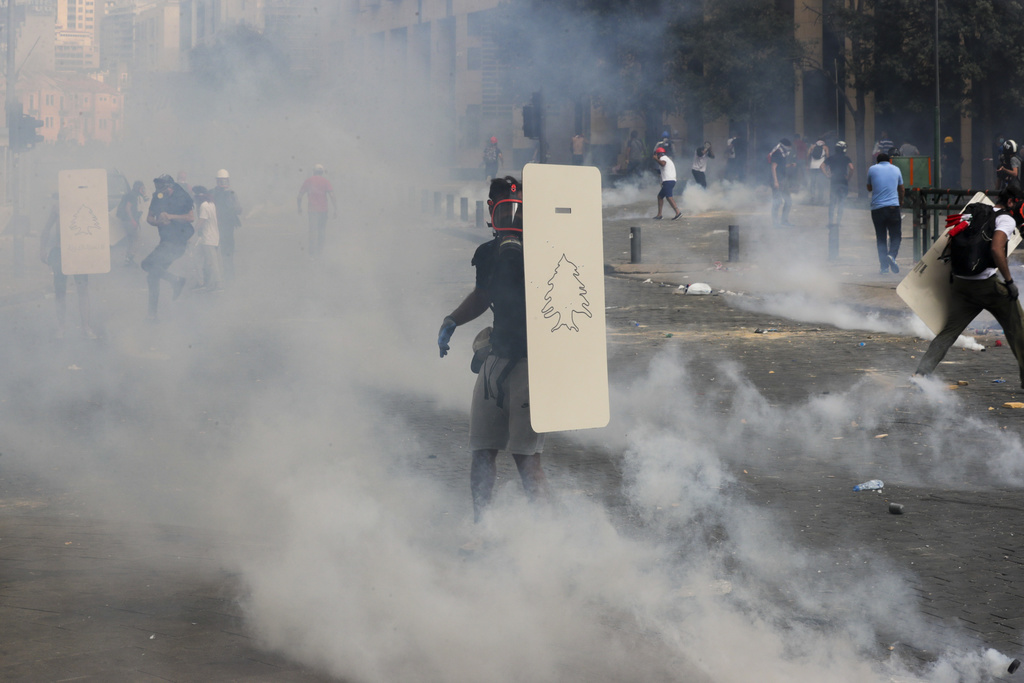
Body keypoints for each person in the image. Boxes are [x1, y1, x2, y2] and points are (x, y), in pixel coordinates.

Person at [436, 175, 551, 523]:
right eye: (504, 212)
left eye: (517, 212)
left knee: (526, 457)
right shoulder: (487, 254)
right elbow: (482, 296)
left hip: (531, 365)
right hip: (494, 361)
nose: (510, 220)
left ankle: (549, 539)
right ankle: (482, 529)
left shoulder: (547, 251)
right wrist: (452, 320)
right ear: (491, 212)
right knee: (481, 451)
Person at [915, 187, 1024, 386]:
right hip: (986, 285)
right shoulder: (1006, 220)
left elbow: (951, 242)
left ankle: (921, 374)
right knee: (1018, 327)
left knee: (949, 332)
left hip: (961, 284)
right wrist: (1009, 282)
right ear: (1011, 202)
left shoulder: (975, 213)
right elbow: (996, 248)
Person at [39, 193, 95, 339]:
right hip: (60, 251)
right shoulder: (57, 207)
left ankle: (86, 326)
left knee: (82, 288)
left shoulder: (86, 204)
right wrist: (42, 249)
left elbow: (97, 229)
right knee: (60, 290)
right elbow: (46, 229)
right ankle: (62, 327)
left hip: (79, 251)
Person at [141, 174, 194, 322]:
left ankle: (176, 280)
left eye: (163, 189)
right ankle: (152, 314)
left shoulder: (182, 196)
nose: (161, 192)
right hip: (165, 241)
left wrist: (171, 216)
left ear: (170, 187)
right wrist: (159, 223)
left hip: (177, 242)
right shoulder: (157, 197)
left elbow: (190, 217)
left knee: (146, 264)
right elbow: (149, 218)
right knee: (152, 276)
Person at [866, 152, 905, 274]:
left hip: (877, 209)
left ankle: (884, 268)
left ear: (877, 161)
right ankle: (892, 255)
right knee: (896, 235)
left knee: (881, 238)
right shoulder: (896, 169)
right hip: (893, 208)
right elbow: (902, 188)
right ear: (890, 161)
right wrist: (901, 201)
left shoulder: (872, 169)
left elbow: (869, 188)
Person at [297, 164, 338, 259]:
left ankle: (311, 253)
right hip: (323, 210)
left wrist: (299, 207)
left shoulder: (308, 181)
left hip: (312, 210)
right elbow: (332, 196)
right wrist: (335, 208)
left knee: (312, 230)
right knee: (322, 231)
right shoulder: (326, 182)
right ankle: (320, 252)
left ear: (313, 171)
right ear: (322, 172)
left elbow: (299, 196)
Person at [211, 169, 242, 280]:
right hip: (214, 228)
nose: (222, 183)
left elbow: (239, 209)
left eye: (224, 181)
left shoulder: (231, 194)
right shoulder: (212, 193)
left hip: (227, 228)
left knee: (227, 252)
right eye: (221, 181)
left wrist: (232, 209)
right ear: (217, 181)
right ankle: (216, 276)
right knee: (213, 253)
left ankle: (229, 275)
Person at [192, 185, 223, 292]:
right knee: (196, 258)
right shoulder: (211, 204)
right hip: (206, 238)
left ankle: (218, 285)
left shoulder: (204, 206)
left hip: (208, 238)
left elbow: (201, 221)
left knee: (213, 262)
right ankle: (201, 283)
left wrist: (191, 233)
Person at [822, 140, 854, 227]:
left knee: (832, 203)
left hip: (834, 182)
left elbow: (822, 166)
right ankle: (838, 222)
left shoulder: (831, 158)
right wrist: (849, 178)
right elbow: (852, 168)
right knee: (841, 203)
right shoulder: (846, 158)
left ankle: (830, 222)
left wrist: (827, 175)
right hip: (843, 182)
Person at [115, 180, 147, 266]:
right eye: (141, 188)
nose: (143, 189)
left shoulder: (134, 195)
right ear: (138, 187)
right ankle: (130, 258)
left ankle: (128, 259)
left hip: (127, 220)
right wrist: (132, 220)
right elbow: (128, 208)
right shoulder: (132, 195)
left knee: (131, 240)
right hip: (129, 221)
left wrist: (143, 195)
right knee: (138, 239)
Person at [769, 138, 795, 227]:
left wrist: (790, 165)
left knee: (788, 201)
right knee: (777, 202)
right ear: (785, 146)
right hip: (777, 180)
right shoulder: (777, 153)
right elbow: (773, 168)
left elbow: (781, 166)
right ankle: (775, 223)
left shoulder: (783, 154)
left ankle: (784, 221)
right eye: (789, 147)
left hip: (783, 180)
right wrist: (776, 181)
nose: (789, 149)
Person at [652, 147, 682, 220]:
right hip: (669, 181)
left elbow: (663, 164)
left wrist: (656, 159)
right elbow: (663, 169)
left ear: (658, 154)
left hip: (668, 181)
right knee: (660, 196)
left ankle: (678, 212)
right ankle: (659, 215)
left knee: (669, 197)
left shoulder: (663, 158)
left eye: (656, 155)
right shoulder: (667, 159)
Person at [808, 138, 829, 205]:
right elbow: (828, 157)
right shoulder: (825, 147)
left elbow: (807, 155)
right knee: (820, 183)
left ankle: (812, 196)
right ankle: (820, 197)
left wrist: (808, 163)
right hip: (821, 167)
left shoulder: (812, 147)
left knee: (813, 182)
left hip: (812, 167)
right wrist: (828, 166)